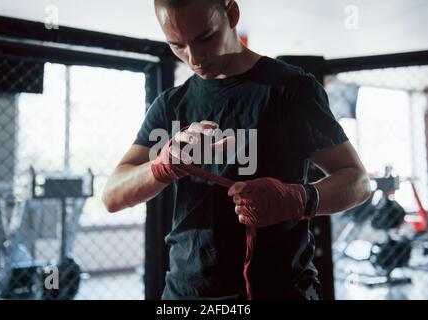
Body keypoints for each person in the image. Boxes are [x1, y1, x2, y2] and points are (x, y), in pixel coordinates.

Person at [102, 0, 371, 300]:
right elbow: (112, 196)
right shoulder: (171, 105)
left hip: (280, 291)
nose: (193, 58)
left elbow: (358, 182)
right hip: (186, 294)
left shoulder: (290, 88)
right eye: (177, 45)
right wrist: (162, 166)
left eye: (205, 38)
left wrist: (297, 198)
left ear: (231, 14)